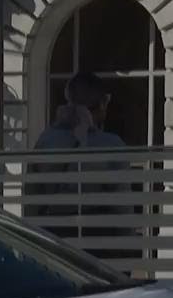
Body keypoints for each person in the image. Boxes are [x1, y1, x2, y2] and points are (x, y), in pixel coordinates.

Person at [27, 72, 136, 259]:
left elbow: (32, 200)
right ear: (101, 104)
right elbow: (122, 206)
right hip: (100, 243)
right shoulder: (110, 145)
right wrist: (127, 247)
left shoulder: (46, 141)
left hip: (53, 240)